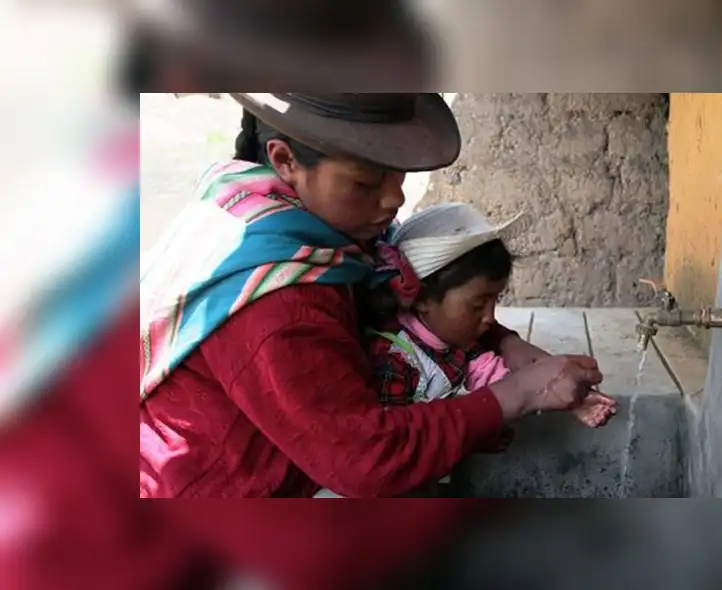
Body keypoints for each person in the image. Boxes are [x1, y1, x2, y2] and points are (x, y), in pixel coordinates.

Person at [139, 93, 607, 499]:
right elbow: (364, 457)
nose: (393, 200)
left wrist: (504, 343)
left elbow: (408, 289)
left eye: (397, 176)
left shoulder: (301, 221)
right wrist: (522, 392)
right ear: (285, 161)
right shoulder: (277, 302)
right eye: (365, 183)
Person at [368, 202, 617, 429]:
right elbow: (397, 436)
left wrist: (569, 398)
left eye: (495, 301)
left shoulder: (460, 342)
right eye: (477, 306)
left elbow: (499, 378)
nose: (489, 317)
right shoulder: (394, 360)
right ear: (423, 300)